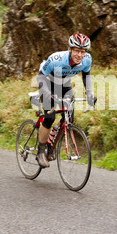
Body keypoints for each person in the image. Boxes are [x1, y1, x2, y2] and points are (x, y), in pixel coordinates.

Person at [36, 33, 96, 168]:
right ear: (70, 49)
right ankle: (40, 151)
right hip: (46, 82)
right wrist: (47, 94)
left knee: (69, 117)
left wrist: (90, 94)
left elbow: (86, 77)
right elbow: (40, 78)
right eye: (76, 51)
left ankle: (51, 141)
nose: (79, 55)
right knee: (50, 117)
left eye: (82, 51)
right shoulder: (56, 59)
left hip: (63, 84)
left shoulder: (87, 60)